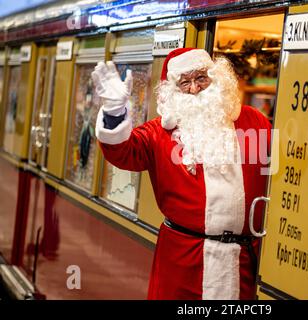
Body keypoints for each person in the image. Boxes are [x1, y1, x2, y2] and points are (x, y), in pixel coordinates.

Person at [91, 48, 272, 300]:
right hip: (184, 259)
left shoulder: (255, 122)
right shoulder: (158, 133)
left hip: (241, 261)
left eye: (201, 78)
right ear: (173, 90)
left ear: (216, 78)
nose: (195, 89)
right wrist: (113, 112)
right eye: (185, 82)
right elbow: (122, 152)